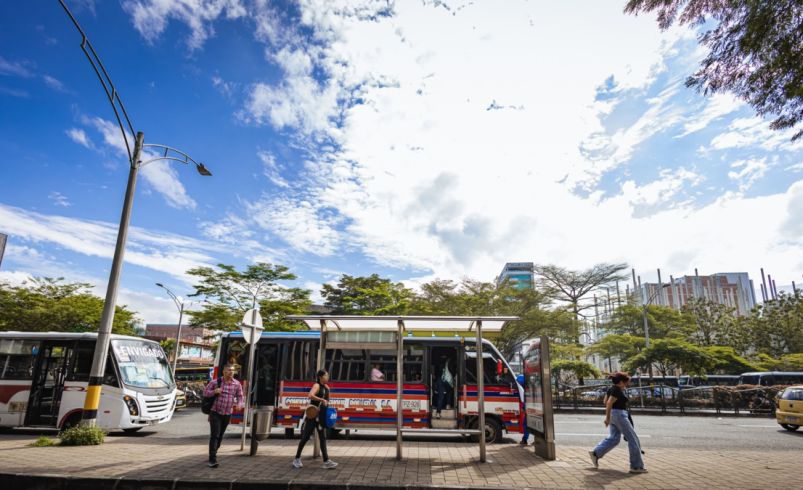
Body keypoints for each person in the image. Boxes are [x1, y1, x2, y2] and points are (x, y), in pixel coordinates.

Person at [589, 372, 647, 473]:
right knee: (633, 439)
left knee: (614, 438)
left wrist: (609, 417)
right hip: (619, 415)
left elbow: (605, 402)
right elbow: (609, 403)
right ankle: (636, 466)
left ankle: (596, 453)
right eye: (626, 382)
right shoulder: (617, 390)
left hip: (614, 414)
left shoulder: (612, 389)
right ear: (621, 382)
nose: (626, 384)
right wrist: (607, 418)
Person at [293, 369, 338, 469]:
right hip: (313, 416)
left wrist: (328, 391)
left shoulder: (324, 387)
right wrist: (321, 399)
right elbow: (310, 395)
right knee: (306, 437)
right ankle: (297, 458)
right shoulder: (316, 385)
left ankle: (326, 461)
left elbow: (327, 401)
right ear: (320, 377)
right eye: (326, 376)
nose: (327, 377)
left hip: (320, 417)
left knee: (323, 438)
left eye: (328, 376)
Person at [202, 363, 244, 468]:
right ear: (224, 372)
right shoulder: (215, 382)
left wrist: (239, 404)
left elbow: (240, 396)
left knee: (220, 435)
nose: (231, 372)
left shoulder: (236, 384)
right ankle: (212, 459)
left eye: (233, 370)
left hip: (227, 413)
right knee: (215, 435)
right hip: (215, 412)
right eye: (229, 370)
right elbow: (205, 393)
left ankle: (214, 450)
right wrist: (214, 391)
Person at [516, 374, 529, 445]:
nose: (519, 384)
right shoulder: (527, 388)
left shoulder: (526, 390)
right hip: (531, 409)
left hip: (529, 409)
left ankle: (525, 440)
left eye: (519, 382)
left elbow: (526, 400)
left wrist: (523, 408)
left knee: (526, 424)